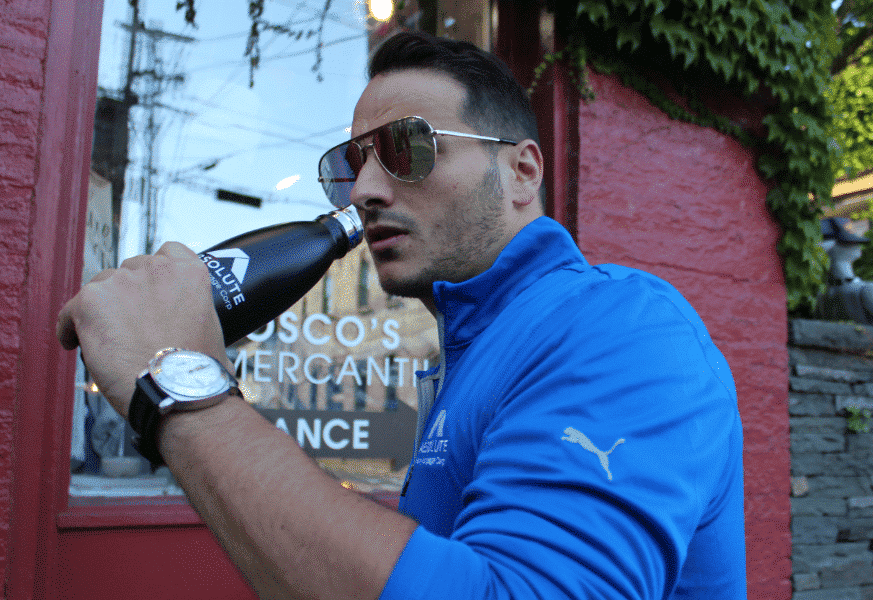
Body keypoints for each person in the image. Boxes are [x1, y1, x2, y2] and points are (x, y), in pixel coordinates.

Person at [58, 31, 747, 599]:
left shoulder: (621, 326)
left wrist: (185, 388)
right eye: (349, 164)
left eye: (406, 148)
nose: (363, 190)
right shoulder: (474, 352)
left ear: (522, 172)